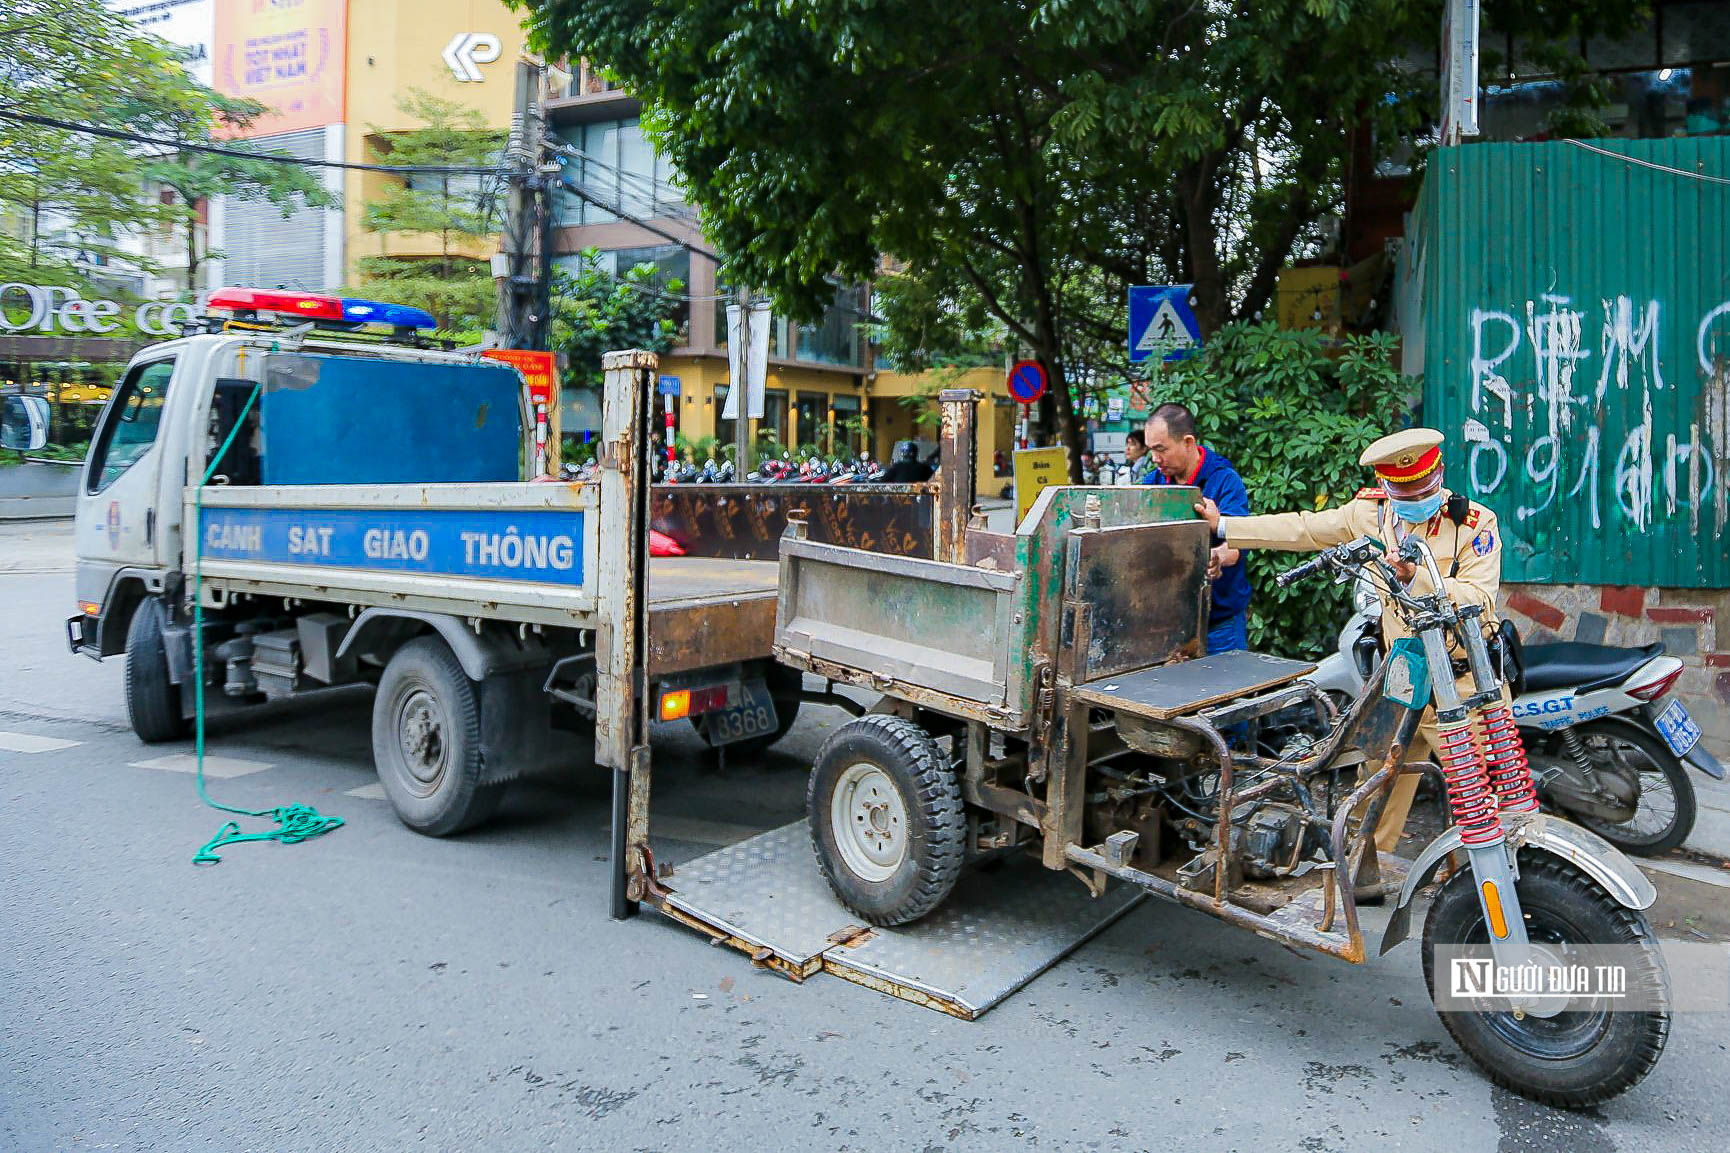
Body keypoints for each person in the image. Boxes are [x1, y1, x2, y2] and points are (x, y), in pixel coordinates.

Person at [1196, 427, 1504, 855]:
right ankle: (1361, 872)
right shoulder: (1370, 514)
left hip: (1463, 681)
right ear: (1384, 485)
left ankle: (1490, 890)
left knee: (1480, 798)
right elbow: (1304, 529)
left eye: (1424, 487)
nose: (1416, 498)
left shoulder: (1474, 523)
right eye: (1404, 491)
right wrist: (1225, 524)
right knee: (1378, 781)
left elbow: (1481, 599)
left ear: (1440, 474)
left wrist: (1416, 579)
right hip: (1404, 674)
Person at [1142, 403, 1251, 654]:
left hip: (1219, 624)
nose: (1155, 459)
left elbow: (1238, 542)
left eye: (1161, 449)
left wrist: (1217, 557)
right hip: (1165, 623)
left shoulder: (1224, 480)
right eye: (1151, 450)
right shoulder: (1153, 483)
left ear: (1188, 442)